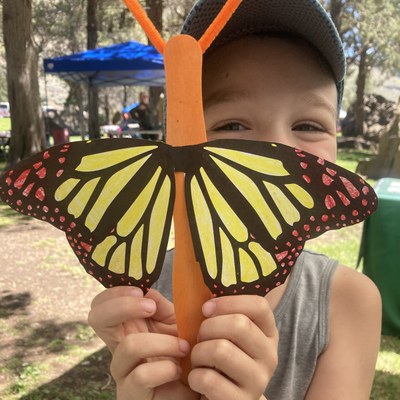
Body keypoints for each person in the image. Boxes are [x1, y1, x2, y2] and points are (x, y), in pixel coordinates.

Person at [88, 1, 382, 399]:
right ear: (175, 145)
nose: (275, 149)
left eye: (309, 125)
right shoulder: (147, 296)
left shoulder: (349, 302)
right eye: (233, 124)